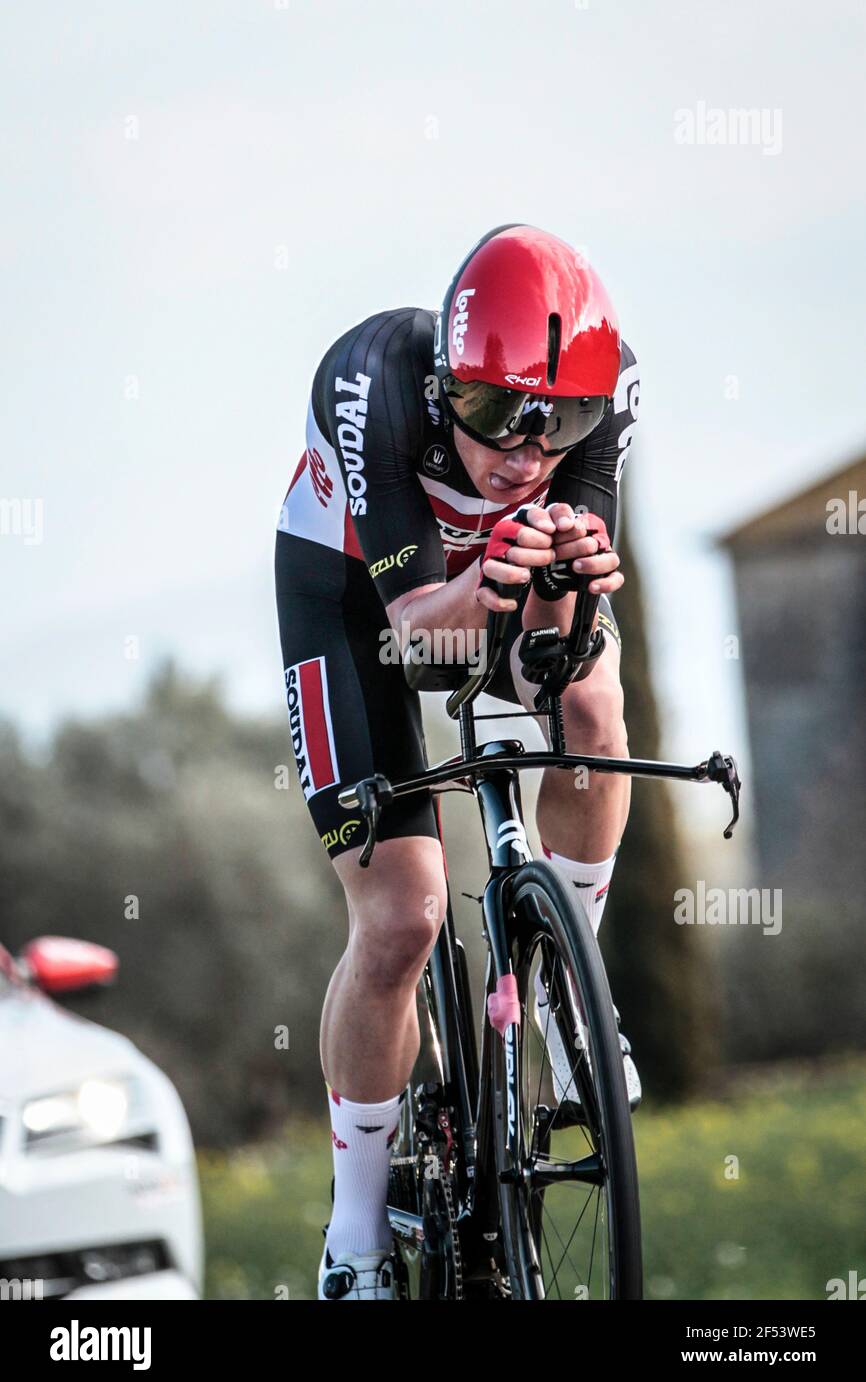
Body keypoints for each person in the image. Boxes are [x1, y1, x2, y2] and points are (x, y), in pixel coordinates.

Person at [274, 224, 640, 1300]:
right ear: (444, 386)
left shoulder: (608, 392)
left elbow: (547, 639)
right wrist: (485, 584)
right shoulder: (370, 381)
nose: (522, 453)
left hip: (486, 581)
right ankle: (352, 1237)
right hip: (353, 601)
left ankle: (569, 1010)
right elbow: (416, 636)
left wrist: (555, 598)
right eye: (490, 414)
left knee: (588, 702)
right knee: (401, 915)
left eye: (555, 425)